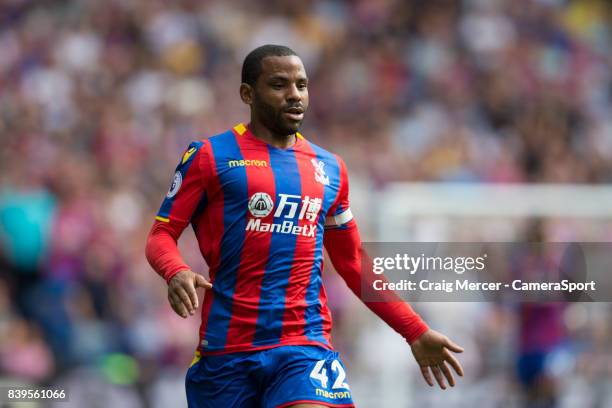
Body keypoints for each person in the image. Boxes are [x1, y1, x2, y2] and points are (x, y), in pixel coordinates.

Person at [145, 44, 464, 408]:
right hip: (226, 354)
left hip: (303, 346)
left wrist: (414, 330)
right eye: (279, 85)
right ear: (248, 94)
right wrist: (176, 271)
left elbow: (353, 262)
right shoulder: (209, 156)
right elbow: (161, 236)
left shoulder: (329, 169)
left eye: (302, 84)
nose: (295, 95)